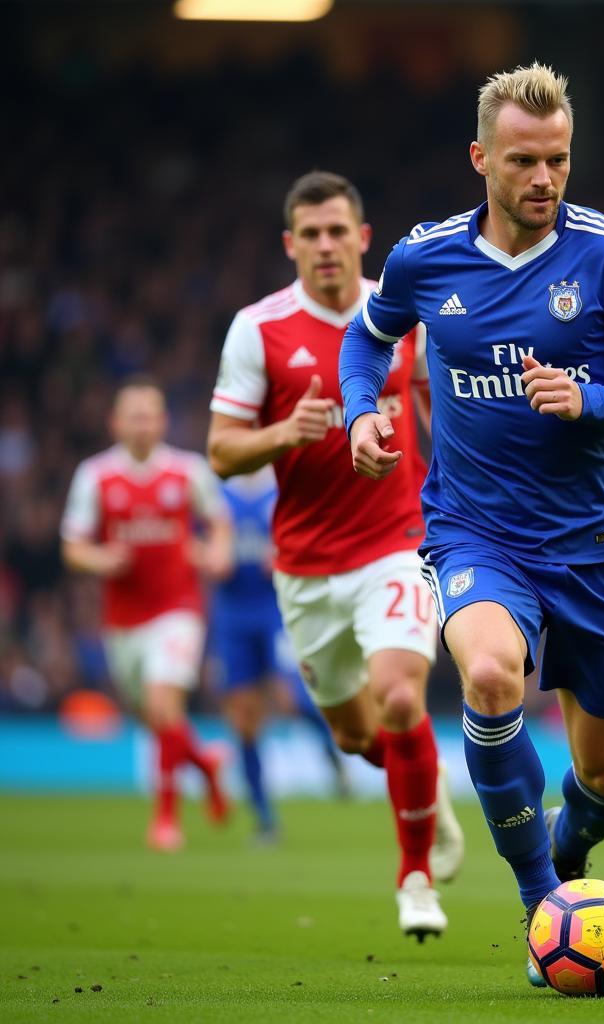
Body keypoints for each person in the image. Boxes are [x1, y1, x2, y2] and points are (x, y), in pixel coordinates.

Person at [339, 63, 604, 984]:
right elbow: (367, 335)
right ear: (480, 159)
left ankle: (566, 859)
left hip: (601, 549)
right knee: (490, 678)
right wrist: (359, 412)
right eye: (524, 162)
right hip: (475, 532)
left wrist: (592, 400)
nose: (544, 180)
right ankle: (544, 904)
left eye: (559, 161)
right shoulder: (426, 257)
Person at [206, 170, 464, 940]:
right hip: (305, 566)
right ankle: (428, 790)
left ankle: (414, 876)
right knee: (357, 737)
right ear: (291, 245)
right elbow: (220, 451)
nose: (325, 246)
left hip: (396, 544)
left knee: (399, 697)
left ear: (363, 236)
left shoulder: (402, 313)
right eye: (309, 234)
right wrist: (284, 433)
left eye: (337, 231)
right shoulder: (259, 329)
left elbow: (438, 400)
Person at [61, 376, 233, 851]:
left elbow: (219, 523)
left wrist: (217, 553)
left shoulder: (187, 471)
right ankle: (206, 767)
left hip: (178, 609)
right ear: (115, 422)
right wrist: (101, 559)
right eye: (133, 415)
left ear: (164, 421)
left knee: (164, 704)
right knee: (156, 718)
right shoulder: (95, 475)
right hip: (122, 621)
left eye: (150, 414)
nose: (142, 424)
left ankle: (165, 822)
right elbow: (73, 547)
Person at [210, 466, 349, 843]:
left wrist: (289, 554)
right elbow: (192, 542)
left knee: (291, 697)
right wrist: (211, 556)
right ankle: (265, 818)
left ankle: (332, 749)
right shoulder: (214, 489)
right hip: (232, 615)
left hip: (277, 609)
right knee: (244, 718)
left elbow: (318, 532)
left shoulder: (284, 482)